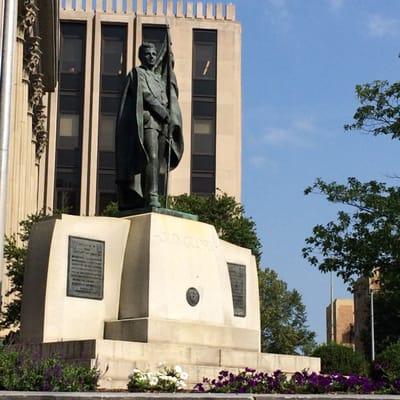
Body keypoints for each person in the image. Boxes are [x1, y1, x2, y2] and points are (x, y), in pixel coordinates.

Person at [115, 40, 183, 210]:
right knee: (150, 157)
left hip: (163, 124)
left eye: (154, 54)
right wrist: (162, 110)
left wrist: (169, 113)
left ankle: (151, 195)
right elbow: (145, 94)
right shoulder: (137, 73)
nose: (151, 57)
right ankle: (152, 196)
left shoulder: (160, 79)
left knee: (157, 161)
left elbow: (166, 97)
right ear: (141, 56)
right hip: (148, 121)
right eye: (147, 54)